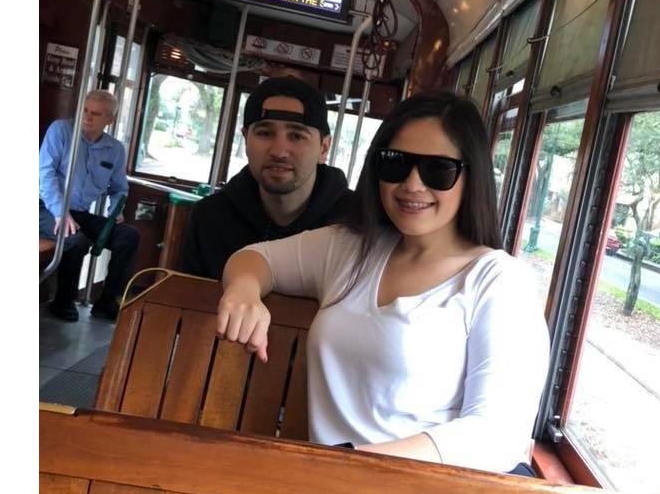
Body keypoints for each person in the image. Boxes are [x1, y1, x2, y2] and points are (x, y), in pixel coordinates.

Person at [216, 90, 550, 474]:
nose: (411, 184)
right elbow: (257, 258)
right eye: (395, 163)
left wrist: (348, 464)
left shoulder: (498, 282)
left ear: (470, 176)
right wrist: (244, 291)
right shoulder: (350, 249)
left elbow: (496, 435)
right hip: (324, 488)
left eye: (437, 169)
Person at [180, 77, 353, 280]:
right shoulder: (209, 217)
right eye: (265, 133)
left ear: (323, 149)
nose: (279, 151)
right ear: (246, 140)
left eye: (297, 136)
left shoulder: (355, 224)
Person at [39, 89, 140, 322]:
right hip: (45, 207)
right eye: (84, 110)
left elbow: (119, 188)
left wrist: (116, 210)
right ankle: (63, 301)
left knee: (128, 236)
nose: (87, 117)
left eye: (95, 114)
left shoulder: (115, 149)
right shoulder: (61, 131)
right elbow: (45, 175)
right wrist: (60, 213)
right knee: (77, 240)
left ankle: (107, 302)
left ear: (110, 120)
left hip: (80, 212)